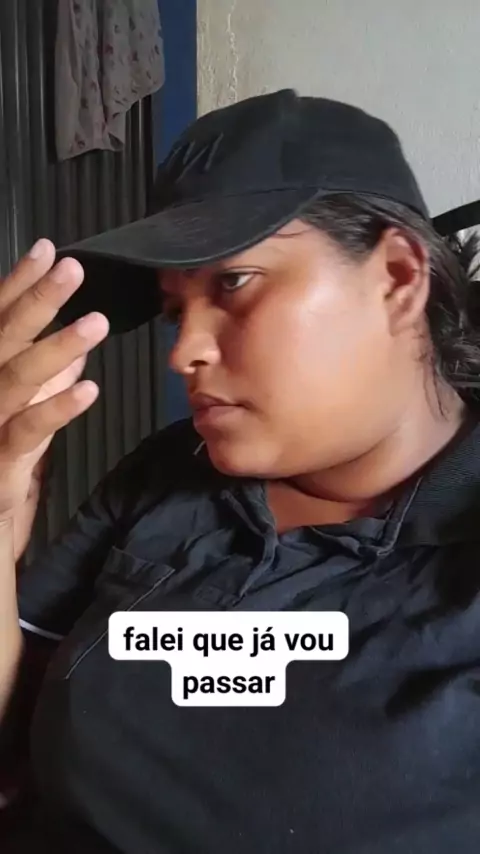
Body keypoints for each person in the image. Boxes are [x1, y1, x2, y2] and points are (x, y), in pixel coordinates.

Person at [1, 89, 480, 853]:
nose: (184, 352)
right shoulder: (166, 475)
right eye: (173, 311)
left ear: (397, 275)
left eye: (234, 283)